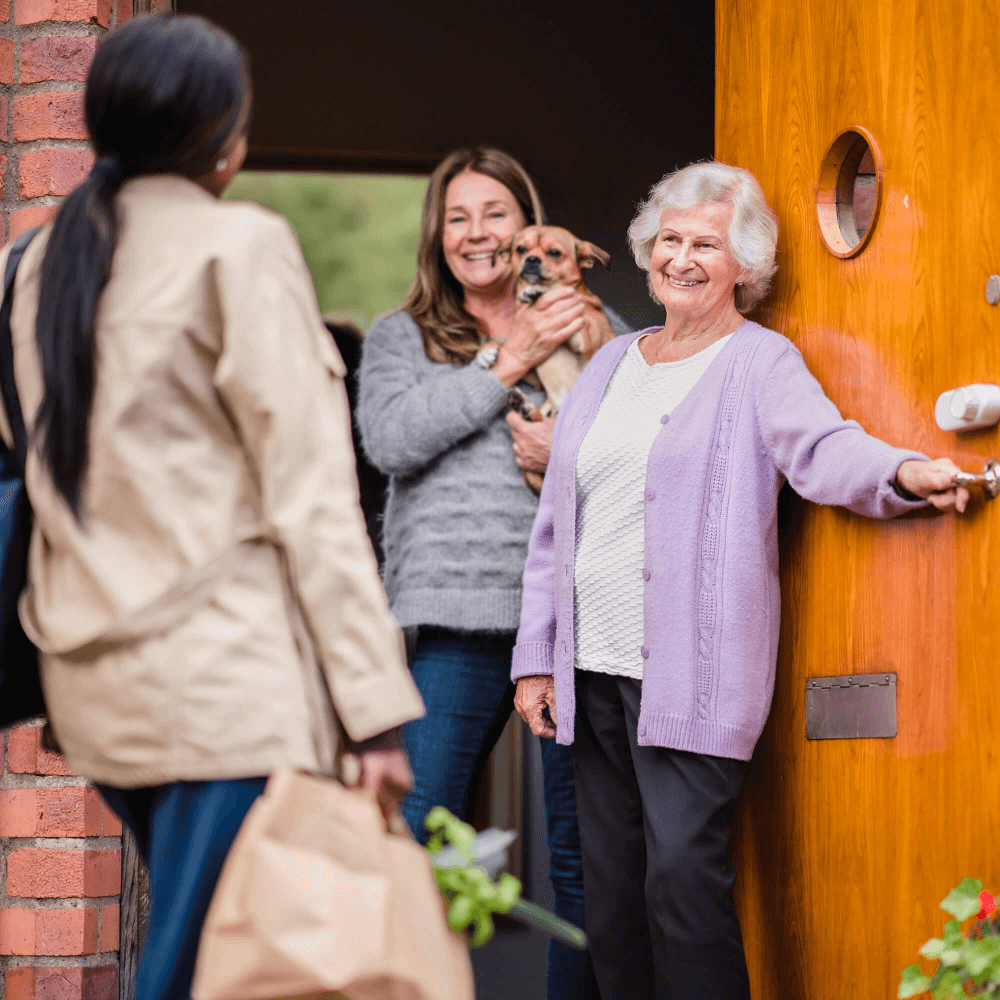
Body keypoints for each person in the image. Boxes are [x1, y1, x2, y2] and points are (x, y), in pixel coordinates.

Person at [0, 15, 424, 1000]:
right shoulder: (240, 246)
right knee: (198, 969)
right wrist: (373, 713)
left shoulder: (29, 266)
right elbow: (312, 497)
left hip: (93, 688)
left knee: (203, 957)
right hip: (223, 687)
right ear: (223, 138)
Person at [511, 160, 968, 1000]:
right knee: (612, 906)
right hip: (592, 673)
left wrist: (904, 474)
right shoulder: (609, 364)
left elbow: (823, 450)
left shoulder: (761, 363)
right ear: (648, 252)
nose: (683, 259)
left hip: (692, 678)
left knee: (681, 890)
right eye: (671, 241)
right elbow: (554, 531)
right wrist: (536, 657)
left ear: (746, 267)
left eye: (707, 245)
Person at [357, 147, 604, 1000]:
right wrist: (507, 358)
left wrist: (563, 450)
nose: (478, 234)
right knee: (411, 837)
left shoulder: (590, 331)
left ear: (529, 225)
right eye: (458, 216)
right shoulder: (403, 337)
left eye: (495, 213)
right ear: (438, 234)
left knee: (583, 866)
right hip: (457, 617)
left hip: (571, 623)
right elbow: (390, 440)